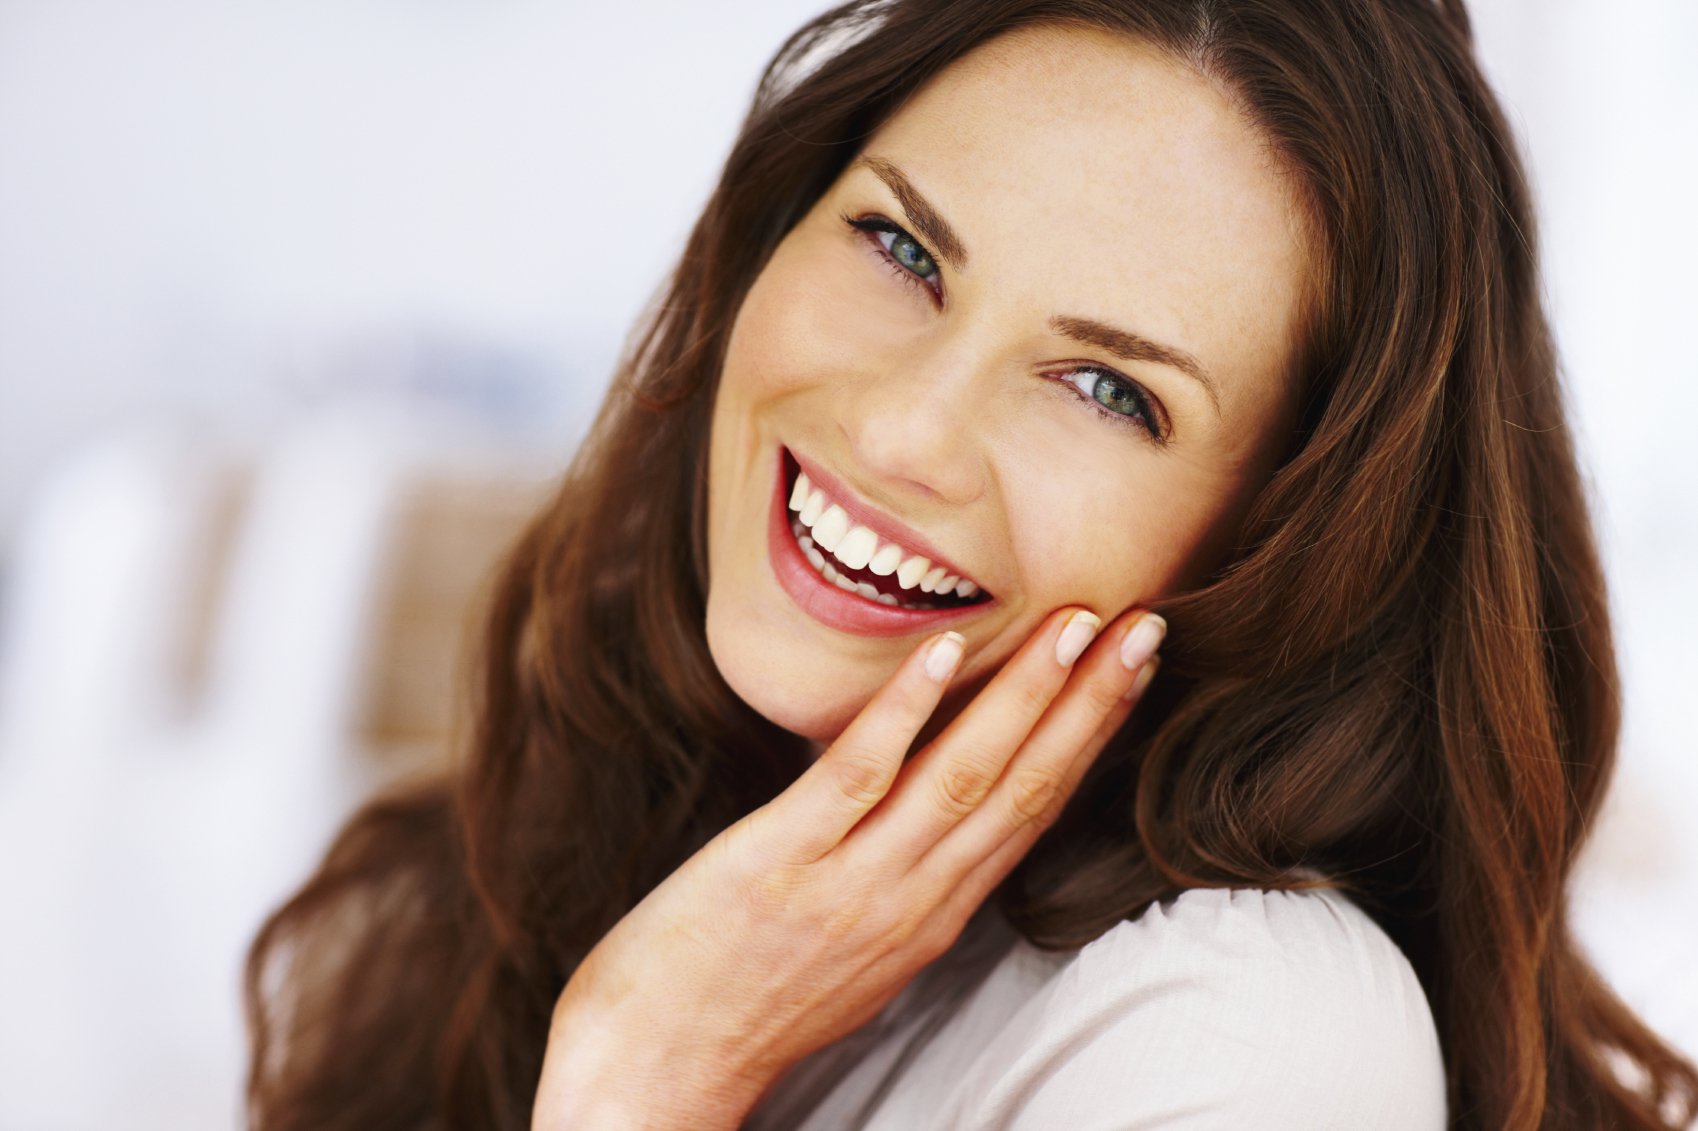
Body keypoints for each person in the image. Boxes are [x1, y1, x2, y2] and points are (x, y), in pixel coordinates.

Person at [244, 1, 1698, 1128]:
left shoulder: (1246, 1032)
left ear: (1281, 547)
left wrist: (646, 1072)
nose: (900, 427)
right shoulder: (501, 862)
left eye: (1109, 392)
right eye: (897, 247)